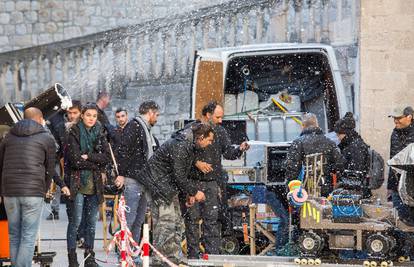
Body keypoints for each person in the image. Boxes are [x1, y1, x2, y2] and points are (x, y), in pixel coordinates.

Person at [132, 123, 213, 265]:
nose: (210, 144)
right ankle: (161, 260)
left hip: (168, 186)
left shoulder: (190, 145)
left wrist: (188, 193)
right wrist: (194, 191)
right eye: (209, 140)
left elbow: (183, 173)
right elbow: (179, 176)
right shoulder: (181, 145)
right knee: (166, 223)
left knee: (176, 223)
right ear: (200, 137)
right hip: (158, 184)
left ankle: (173, 258)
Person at [0, 108, 68, 267]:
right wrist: (43, 190)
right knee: (28, 236)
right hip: (33, 191)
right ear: (40, 119)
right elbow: (50, 168)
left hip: (10, 192)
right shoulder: (46, 138)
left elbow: (1, 165)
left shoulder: (8, 136)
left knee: (14, 235)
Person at [182, 101, 249, 258]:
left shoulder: (220, 131)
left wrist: (239, 149)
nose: (221, 120)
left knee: (212, 221)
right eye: (218, 117)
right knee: (192, 221)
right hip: (193, 182)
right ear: (207, 115)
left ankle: (212, 256)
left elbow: (228, 153)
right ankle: (193, 255)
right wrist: (195, 162)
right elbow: (179, 151)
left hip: (212, 183)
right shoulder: (191, 129)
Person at [66, 103, 110, 267]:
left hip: (94, 185)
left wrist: (88, 156)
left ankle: (89, 257)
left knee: (91, 224)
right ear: (82, 115)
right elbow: (75, 160)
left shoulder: (100, 132)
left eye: (94, 116)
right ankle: (72, 258)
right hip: (77, 183)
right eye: (89, 115)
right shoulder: (74, 132)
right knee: (75, 222)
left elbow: (106, 157)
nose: (91, 118)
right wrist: (95, 163)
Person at [113, 101, 160, 247]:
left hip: (143, 179)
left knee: (139, 220)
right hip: (133, 180)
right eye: (156, 115)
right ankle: (124, 252)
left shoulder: (145, 129)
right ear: (150, 112)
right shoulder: (134, 126)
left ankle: (133, 251)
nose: (157, 118)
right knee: (129, 218)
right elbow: (123, 151)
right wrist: (120, 173)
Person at [285, 113, 344, 196]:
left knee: (306, 209)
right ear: (317, 125)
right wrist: (329, 169)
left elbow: (292, 169)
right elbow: (340, 164)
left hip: (303, 191)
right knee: (323, 208)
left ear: (303, 126)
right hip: (325, 188)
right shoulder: (329, 143)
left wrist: (289, 189)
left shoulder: (298, 143)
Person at [46, 100, 83, 220]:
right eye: (69, 112)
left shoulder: (83, 126)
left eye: (75, 113)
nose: (72, 115)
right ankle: (55, 210)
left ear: (80, 113)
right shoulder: (60, 126)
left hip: (78, 162)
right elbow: (56, 143)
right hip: (61, 159)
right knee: (58, 185)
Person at [387, 106, 414, 226]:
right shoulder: (395, 133)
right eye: (394, 118)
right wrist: (390, 185)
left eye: (398, 118)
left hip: (411, 186)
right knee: (401, 218)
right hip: (396, 184)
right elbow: (393, 159)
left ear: (409, 117)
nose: (395, 121)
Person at [334, 112, 371, 197]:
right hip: (354, 191)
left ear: (346, 133)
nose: (338, 137)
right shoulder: (351, 145)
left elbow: (355, 173)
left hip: (355, 193)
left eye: (339, 134)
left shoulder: (355, 147)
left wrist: (343, 186)